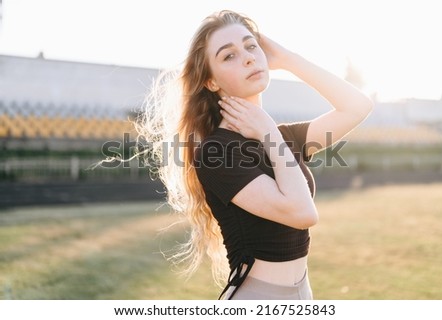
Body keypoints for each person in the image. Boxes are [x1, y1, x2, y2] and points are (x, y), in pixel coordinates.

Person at [136, 10, 373, 300]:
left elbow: (357, 107)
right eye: (228, 56)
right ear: (211, 82)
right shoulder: (216, 153)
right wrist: (269, 133)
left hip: (303, 294)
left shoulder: (282, 137)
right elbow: (302, 213)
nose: (248, 57)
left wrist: (289, 59)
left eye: (251, 46)